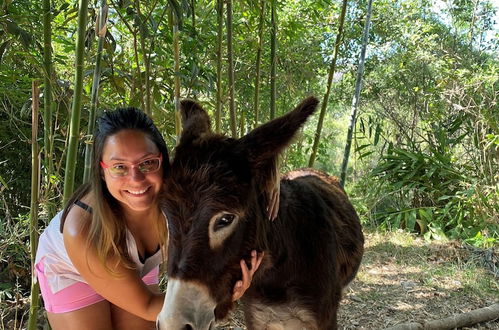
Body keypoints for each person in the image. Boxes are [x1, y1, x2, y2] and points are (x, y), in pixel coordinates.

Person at [35, 107, 267, 330]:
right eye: (119, 167)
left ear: (163, 161)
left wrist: (270, 184)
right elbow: (147, 305)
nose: (136, 179)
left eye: (147, 163)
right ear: (102, 171)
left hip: (134, 265)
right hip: (71, 270)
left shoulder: (183, 196)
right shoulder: (81, 229)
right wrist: (219, 296)